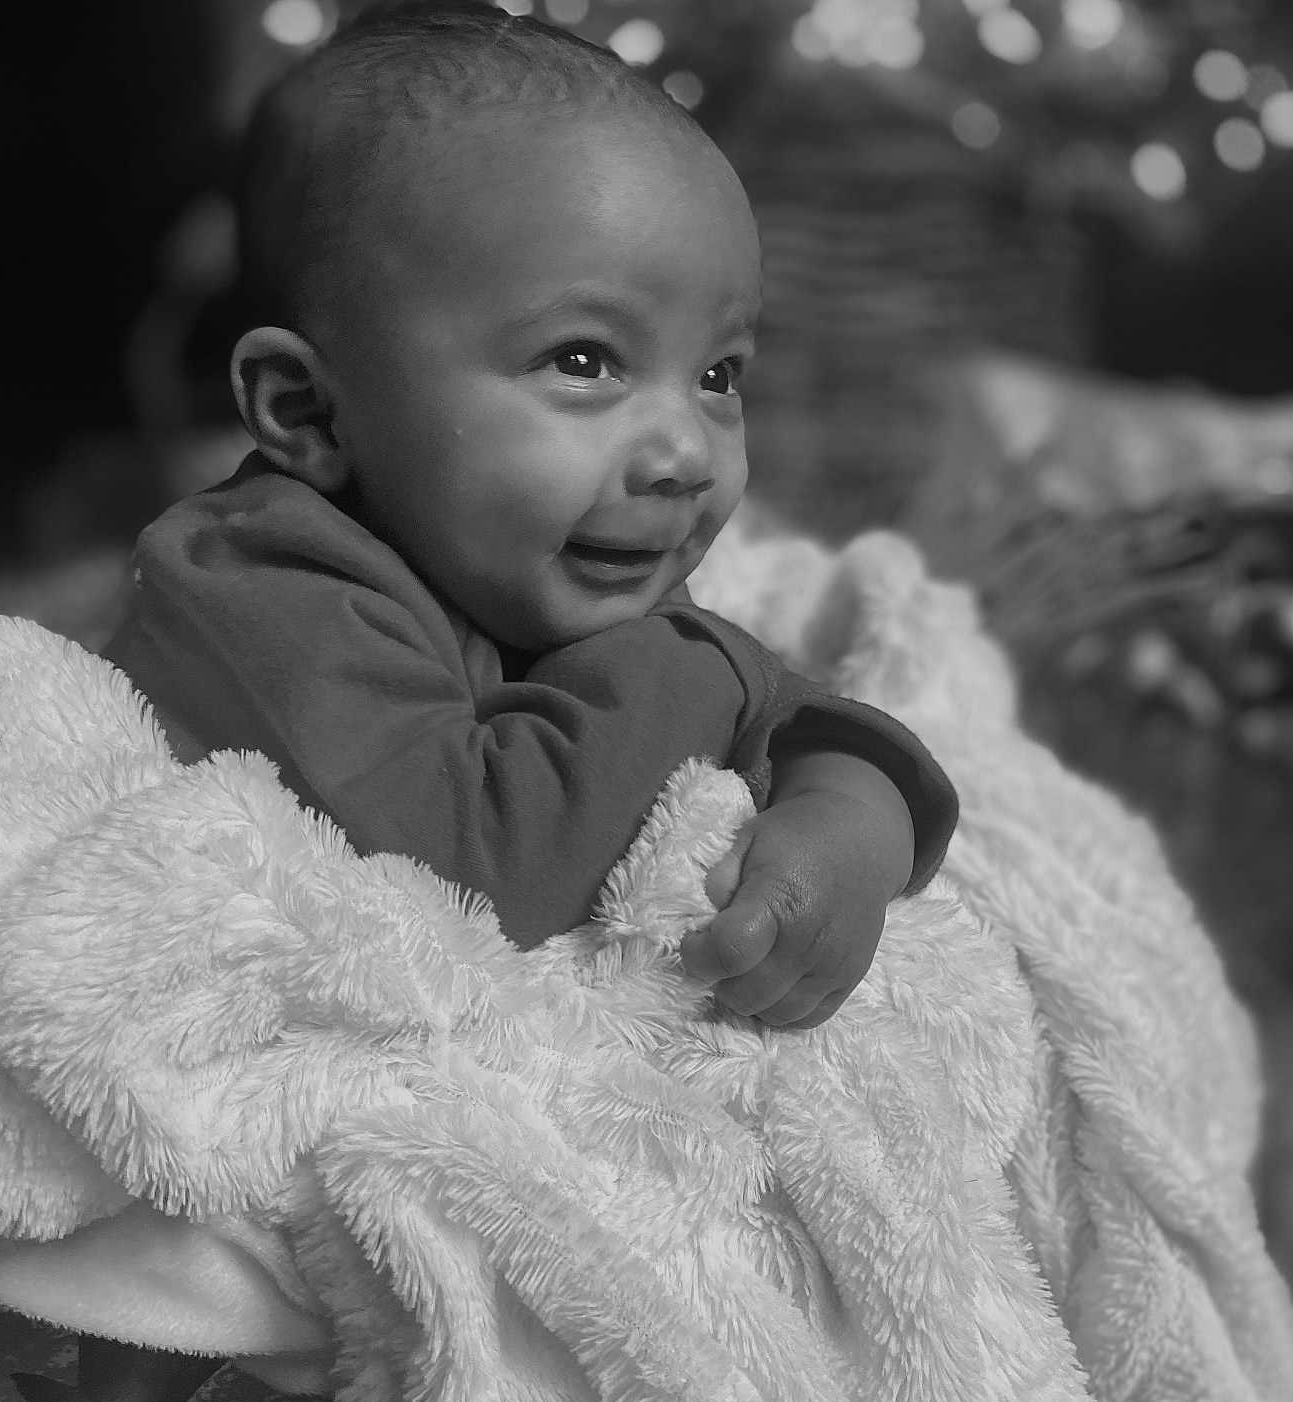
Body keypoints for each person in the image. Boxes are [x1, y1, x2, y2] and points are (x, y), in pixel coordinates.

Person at [104, 0, 957, 1033]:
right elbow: (481, 873)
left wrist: (848, 823)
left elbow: (803, 718)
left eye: (717, 373)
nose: (686, 453)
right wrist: (708, 664)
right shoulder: (254, 584)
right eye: (584, 360)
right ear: (311, 411)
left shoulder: (543, 560)